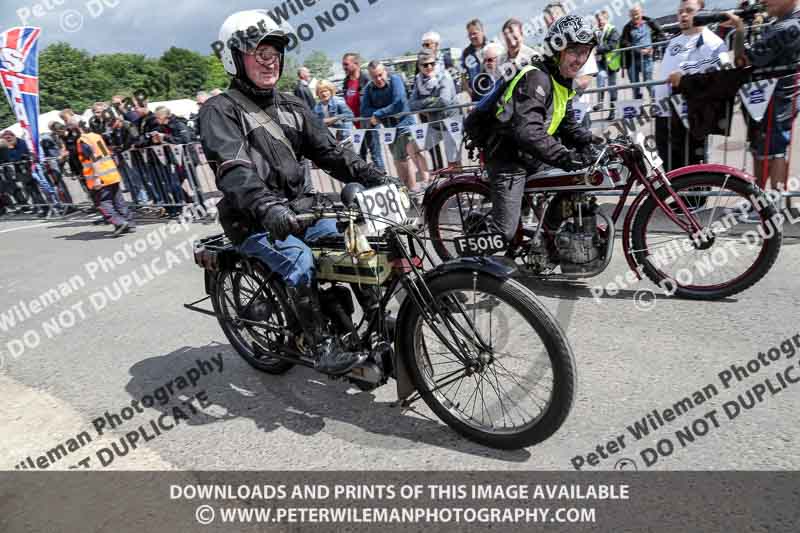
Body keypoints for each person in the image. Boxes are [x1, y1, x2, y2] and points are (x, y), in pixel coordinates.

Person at [198, 10, 391, 375]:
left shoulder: (291, 105)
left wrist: (377, 176)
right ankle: (323, 346)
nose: (269, 61)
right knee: (299, 260)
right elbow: (235, 171)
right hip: (254, 219)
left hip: (303, 210)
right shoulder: (219, 111)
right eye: (259, 53)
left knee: (359, 246)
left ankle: (379, 324)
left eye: (274, 53)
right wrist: (267, 206)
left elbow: (332, 153)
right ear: (234, 57)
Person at [480, 15, 605, 242]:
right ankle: (470, 265)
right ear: (558, 50)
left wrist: (595, 143)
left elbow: (567, 126)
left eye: (585, 51)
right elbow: (527, 131)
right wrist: (565, 156)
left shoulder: (562, 80)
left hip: (534, 153)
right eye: (574, 51)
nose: (580, 59)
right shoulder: (537, 78)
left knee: (577, 183)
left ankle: (548, 238)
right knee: (504, 233)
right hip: (509, 159)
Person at [723, 0, 800, 200]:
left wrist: (739, 30)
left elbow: (742, 60)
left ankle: (770, 206)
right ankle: (764, 203)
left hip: (772, 100)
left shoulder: (786, 26)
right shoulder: (785, 22)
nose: (764, 1)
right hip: (772, 99)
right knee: (766, 151)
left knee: (771, 152)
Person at [655, 0, 730, 172]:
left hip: (691, 114)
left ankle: (696, 199)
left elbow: (722, 75)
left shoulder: (712, 42)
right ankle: (675, 198)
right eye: (680, 11)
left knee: (692, 168)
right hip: (664, 113)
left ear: (702, 12)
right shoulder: (674, 42)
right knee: (670, 168)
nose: (683, 15)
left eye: (689, 11)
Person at [362, 61, 429, 192]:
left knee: (412, 153)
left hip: (406, 125)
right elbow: (364, 110)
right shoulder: (369, 88)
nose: (378, 79)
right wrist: (383, 113)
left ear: (385, 72)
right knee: (400, 162)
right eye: (374, 76)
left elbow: (399, 103)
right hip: (389, 130)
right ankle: (412, 191)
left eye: (380, 75)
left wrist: (378, 113)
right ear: (370, 76)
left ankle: (428, 182)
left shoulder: (395, 80)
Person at [77, 123, 135, 236]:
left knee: (103, 203)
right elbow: (104, 154)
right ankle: (129, 223)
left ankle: (119, 223)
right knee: (118, 200)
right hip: (111, 173)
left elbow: (93, 159)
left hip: (100, 176)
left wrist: (96, 177)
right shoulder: (96, 136)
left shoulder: (84, 141)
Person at [410, 48, 461, 172]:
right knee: (411, 148)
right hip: (435, 125)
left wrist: (424, 105)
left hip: (451, 123)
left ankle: (460, 189)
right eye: (425, 64)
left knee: (454, 165)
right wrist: (431, 101)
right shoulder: (418, 80)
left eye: (432, 63)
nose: (429, 67)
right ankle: (427, 179)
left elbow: (444, 101)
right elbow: (411, 104)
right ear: (419, 66)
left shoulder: (444, 76)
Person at [342, 52, 385, 171]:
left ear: (356, 64)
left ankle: (384, 181)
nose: (344, 67)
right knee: (361, 157)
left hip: (369, 123)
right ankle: (367, 182)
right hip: (356, 126)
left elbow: (376, 101)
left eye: (346, 64)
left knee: (376, 155)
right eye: (343, 65)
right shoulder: (345, 82)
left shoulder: (367, 79)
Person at [620, 4, 665, 100]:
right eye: (632, 15)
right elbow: (624, 43)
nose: (635, 17)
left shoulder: (650, 23)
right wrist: (638, 50)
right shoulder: (627, 27)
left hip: (647, 58)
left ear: (642, 13)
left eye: (637, 14)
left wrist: (653, 47)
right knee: (635, 86)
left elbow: (661, 35)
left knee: (648, 82)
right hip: (632, 60)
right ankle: (639, 109)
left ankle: (655, 103)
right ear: (629, 16)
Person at [595, 10, 622, 120]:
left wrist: (597, 49)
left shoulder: (613, 30)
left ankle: (612, 112)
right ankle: (600, 103)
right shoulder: (596, 32)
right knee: (600, 77)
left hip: (611, 64)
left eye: (601, 20)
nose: (599, 22)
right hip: (601, 63)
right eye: (598, 20)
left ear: (606, 19)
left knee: (612, 89)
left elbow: (611, 45)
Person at [461, 19, 488, 102]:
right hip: (475, 98)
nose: (472, 37)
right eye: (469, 34)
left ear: (482, 32)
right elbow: (463, 74)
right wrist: (467, 89)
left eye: (474, 33)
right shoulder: (466, 53)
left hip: (492, 93)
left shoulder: (492, 47)